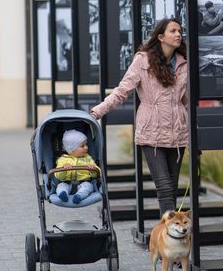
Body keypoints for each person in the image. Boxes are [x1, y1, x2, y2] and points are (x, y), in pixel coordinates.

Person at [90, 18, 188, 216]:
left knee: (173, 187)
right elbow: (121, 91)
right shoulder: (143, 60)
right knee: (164, 187)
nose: (178, 34)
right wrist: (96, 112)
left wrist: (192, 132)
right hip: (152, 132)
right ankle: (169, 237)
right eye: (173, 31)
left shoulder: (184, 64)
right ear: (161, 37)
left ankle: (168, 232)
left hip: (177, 133)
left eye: (179, 31)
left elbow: (186, 101)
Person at [55, 129, 99, 204]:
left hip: (83, 182)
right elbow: (58, 176)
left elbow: (96, 174)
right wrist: (63, 170)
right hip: (67, 182)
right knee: (61, 186)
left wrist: (93, 170)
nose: (86, 147)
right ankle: (63, 194)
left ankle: (79, 196)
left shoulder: (88, 158)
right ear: (71, 150)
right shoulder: (63, 159)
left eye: (86, 144)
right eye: (82, 146)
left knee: (88, 186)